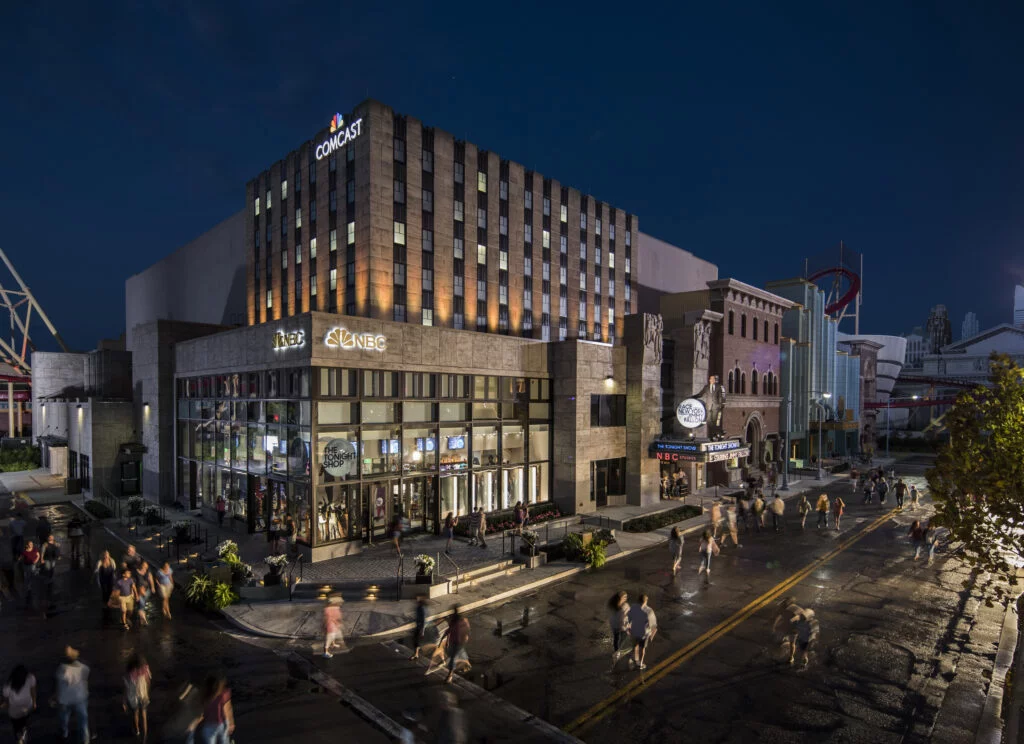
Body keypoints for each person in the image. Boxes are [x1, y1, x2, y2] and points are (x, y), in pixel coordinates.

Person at [54, 646, 90, 744]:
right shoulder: (84, 668)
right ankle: (85, 740)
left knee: (64, 719)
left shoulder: (62, 669)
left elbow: (59, 686)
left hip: (65, 699)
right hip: (80, 697)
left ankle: (64, 734)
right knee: (83, 721)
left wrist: (55, 697)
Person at [2, 664, 36, 744]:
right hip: (28, 707)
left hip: (14, 711)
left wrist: (4, 705)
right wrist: (34, 703)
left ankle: (20, 739)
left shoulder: (7, 687)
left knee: (16, 726)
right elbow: (33, 692)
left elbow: (6, 702)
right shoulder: (31, 678)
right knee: (24, 721)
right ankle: (24, 733)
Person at [123, 653, 152, 741]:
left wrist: (124, 701)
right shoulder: (145, 670)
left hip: (134, 697)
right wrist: (147, 691)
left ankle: (137, 730)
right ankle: (145, 735)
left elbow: (127, 688)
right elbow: (148, 682)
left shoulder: (131, 673)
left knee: (136, 713)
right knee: (144, 715)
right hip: (143, 695)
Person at [198, 675, 234, 744]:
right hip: (221, 724)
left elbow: (201, 712)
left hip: (210, 725)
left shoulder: (204, 695)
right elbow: (228, 708)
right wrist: (231, 722)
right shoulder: (224, 693)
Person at [627, 593, 658, 671]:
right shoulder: (649, 611)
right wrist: (652, 635)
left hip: (634, 632)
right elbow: (653, 625)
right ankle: (641, 664)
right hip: (644, 634)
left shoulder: (634, 607)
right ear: (646, 601)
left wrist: (629, 629)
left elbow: (629, 619)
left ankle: (635, 659)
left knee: (636, 646)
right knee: (642, 649)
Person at [772, 596, 804, 665]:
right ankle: (791, 657)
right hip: (795, 629)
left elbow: (779, 618)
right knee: (792, 643)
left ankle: (783, 644)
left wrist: (774, 627)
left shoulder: (787, 609)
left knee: (781, 636)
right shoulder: (799, 609)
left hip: (788, 627)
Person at [445, 607, 471, 684]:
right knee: (454, 655)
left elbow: (467, 631)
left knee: (453, 658)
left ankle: (450, 675)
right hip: (453, 642)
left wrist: (465, 638)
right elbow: (449, 630)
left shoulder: (462, 621)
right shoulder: (453, 621)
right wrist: (447, 640)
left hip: (459, 643)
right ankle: (467, 663)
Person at [608, 591, 631, 666]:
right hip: (621, 626)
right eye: (624, 597)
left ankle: (616, 652)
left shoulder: (614, 605)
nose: (626, 598)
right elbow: (627, 616)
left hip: (614, 625)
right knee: (622, 639)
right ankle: (619, 652)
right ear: (620, 598)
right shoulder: (625, 606)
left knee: (616, 638)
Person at [19, 539, 40, 607]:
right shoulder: (24, 551)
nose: (31, 545)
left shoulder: (34, 550)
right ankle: (28, 588)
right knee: (27, 576)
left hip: (32, 565)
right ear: (27, 545)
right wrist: (19, 559)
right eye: (30, 544)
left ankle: (32, 587)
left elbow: (38, 555)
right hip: (26, 565)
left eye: (32, 544)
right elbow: (21, 558)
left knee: (32, 575)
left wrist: (35, 561)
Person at [409, 596, 429, 660]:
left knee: (416, 640)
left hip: (420, 627)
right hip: (418, 626)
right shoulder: (419, 607)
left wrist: (422, 630)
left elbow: (423, 619)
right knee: (415, 640)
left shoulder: (421, 608)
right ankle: (416, 653)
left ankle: (416, 654)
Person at [136, 561, 156, 626]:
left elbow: (151, 579)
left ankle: (142, 620)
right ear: (142, 565)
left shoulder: (148, 573)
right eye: (144, 566)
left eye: (146, 566)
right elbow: (135, 583)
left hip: (146, 591)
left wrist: (153, 587)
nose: (145, 567)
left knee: (141, 605)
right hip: (139, 592)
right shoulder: (137, 572)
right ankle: (143, 619)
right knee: (141, 605)